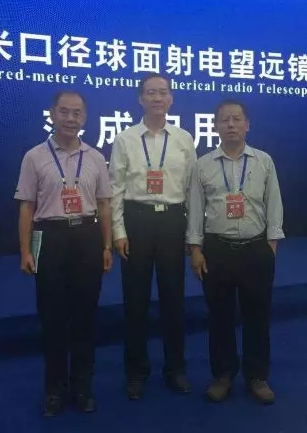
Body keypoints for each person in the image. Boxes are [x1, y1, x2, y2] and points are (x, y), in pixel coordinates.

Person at [14, 91, 113, 416]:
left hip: (87, 237)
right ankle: (54, 390)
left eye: (77, 113)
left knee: (85, 318)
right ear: (53, 114)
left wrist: (107, 245)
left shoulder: (95, 157)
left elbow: (104, 205)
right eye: (65, 112)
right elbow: (26, 207)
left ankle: (83, 387)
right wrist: (25, 250)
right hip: (50, 237)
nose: (71, 119)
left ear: (85, 118)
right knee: (53, 319)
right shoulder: (34, 157)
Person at [186, 99, 284, 404]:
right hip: (217, 249)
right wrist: (195, 249)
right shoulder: (203, 164)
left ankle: (257, 376)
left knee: (258, 316)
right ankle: (223, 374)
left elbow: (274, 204)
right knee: (219, 317)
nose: (231, 124)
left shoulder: (263, 161)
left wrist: (271, 245)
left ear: (247, 125)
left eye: (237, 119)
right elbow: (195, 208)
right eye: (225, 119)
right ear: (215, 125)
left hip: (256, 248)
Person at [108, 73, 197, 399]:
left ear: (171, 98)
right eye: (151, 93)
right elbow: (115, 188)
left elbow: (192, 190)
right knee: (136, 302)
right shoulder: (125, 139)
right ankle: (136, 372)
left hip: (173, 222)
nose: (157, 98)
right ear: (140, 99)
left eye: (163, 92)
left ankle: (176, 369)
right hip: (138, 221)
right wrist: (119, 232)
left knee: (174, 300)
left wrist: (193, 234)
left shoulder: (184, 139)